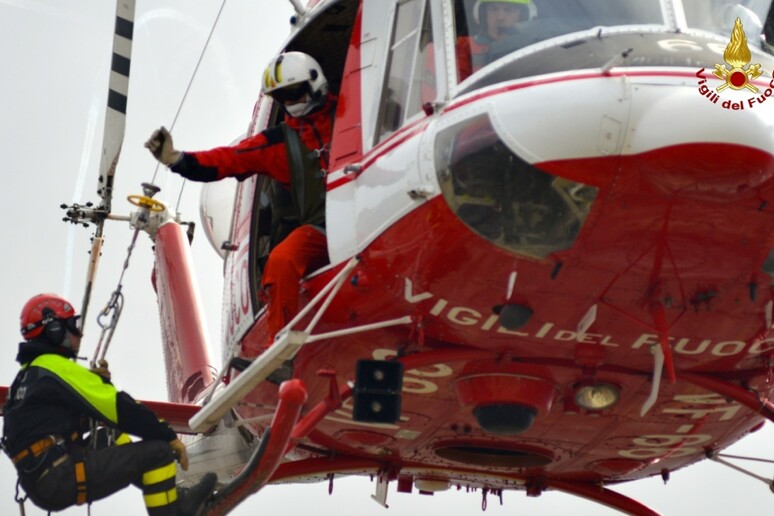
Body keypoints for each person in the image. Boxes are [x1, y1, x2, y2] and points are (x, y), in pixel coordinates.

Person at [145, 51, 335, 350]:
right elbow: (228, 159)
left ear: (315, 82)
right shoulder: (279, 142)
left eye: (294, 92)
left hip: (368, 214)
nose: (291, 102)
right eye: (282, 98)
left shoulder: (354, 110)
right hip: (324, 230)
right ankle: (282, 347)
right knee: (282, 260)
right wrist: (177, 160)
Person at [2, 293, 217, 515]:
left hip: (44, 476)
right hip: (57, 475)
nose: (79, 333)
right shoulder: (54, 367)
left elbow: (58, 420)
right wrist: (168, 435)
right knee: (159, 453)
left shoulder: (29, 375)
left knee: (109, 436)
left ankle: (170, 497)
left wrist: (96, 384)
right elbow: (118, 407)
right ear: (54, 330)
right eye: (73, 325)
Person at [459, 0, 534, 80]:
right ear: (483, 14)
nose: (500, 18)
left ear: (522, 16)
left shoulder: (533, 48)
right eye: (494, 9)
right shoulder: (466, 46)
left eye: (509, 10)